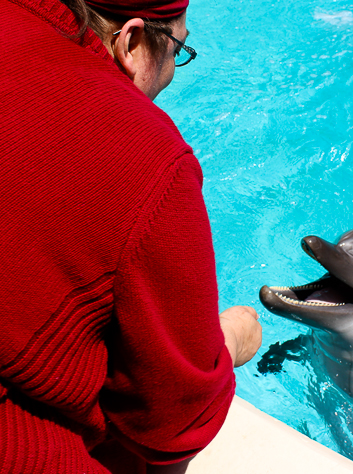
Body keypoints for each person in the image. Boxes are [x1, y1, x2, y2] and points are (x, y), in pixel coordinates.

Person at [0, 0, 262, 472]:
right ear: (133, 41)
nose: (172, 76)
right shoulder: (151, 159)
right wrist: (229, 341)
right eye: (177, 51)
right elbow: (171, 425)